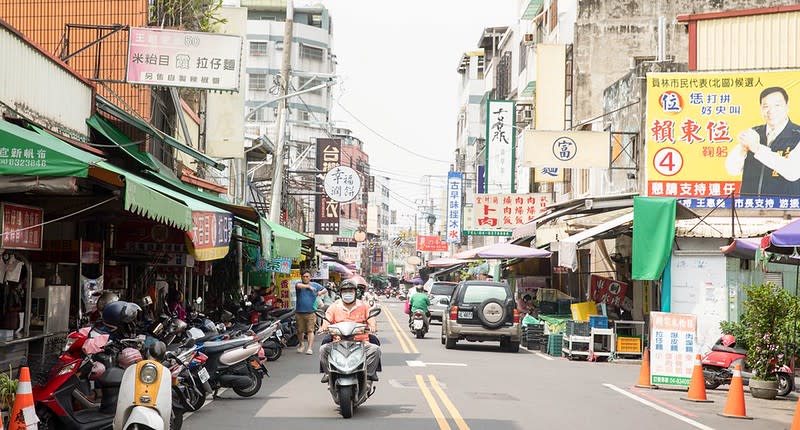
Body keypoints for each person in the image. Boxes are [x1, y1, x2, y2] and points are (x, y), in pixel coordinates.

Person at [725, 86, 800, 197]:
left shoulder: (797, 135)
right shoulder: (753, 133)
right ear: (761, 109)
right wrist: (742, 151)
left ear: (787, 107)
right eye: (765, 106)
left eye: (777, 105)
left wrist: (757, 148)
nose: (771, 111)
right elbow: (732, 170)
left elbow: (793, 172)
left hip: (785, 210)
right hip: (750, 208)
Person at [318, 279, 380, 383]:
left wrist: (372, 325)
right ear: (340, 293)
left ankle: (369, 375)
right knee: (323, 349)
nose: (348, 294)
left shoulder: (364, 305)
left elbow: (371, 318)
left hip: (361, 341)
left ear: (355, 293)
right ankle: (327, 373)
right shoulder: (334, 306)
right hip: (338, 341)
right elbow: (327, 319)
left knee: (375, 349)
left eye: (350, 291)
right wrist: (324, 326)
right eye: (345, 291)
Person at [295, 269, 327, 354]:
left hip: (311, 312)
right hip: (299, 312)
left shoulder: (315, 285)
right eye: (304, 277)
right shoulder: (299, 284)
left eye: (307, 277)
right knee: (300, 331)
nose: (305, 278)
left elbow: (325, 289)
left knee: (310, 330)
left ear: (310, 277)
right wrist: (308, 287)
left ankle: (309, 348)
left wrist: (320, 292)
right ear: (301, 277)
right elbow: (298, 286)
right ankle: (301, 345)